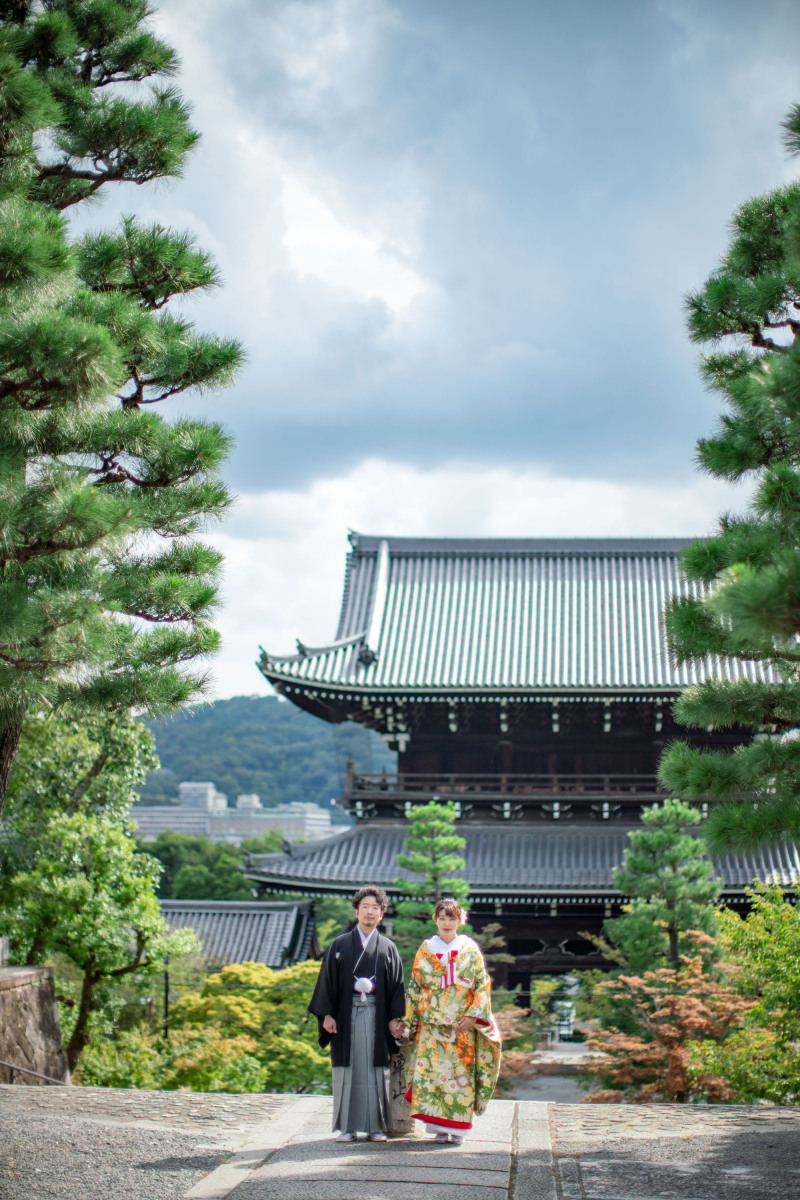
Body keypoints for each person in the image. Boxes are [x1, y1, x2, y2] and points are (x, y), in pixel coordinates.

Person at [308, 884, 406, 1142]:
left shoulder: (387, 948)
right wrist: (327, 1015)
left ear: (381, 914)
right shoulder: (339, 945)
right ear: (356, 911)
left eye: (376, 908)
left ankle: (374, 1127)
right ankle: (347, 1127)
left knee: (376, 1071)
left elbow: (397, 986)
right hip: (346, 1015)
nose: (370, 912)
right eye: (365, 907)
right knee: (347, 1069)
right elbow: (326, 982)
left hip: (376, 1015)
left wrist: (395, 1018)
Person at [404, 898, 501, 1145]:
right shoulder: (426, 948)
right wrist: (407, 1020)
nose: (447, 923)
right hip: (432, 1025)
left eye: (452, 918)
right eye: (442, 917)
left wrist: (472, 1016)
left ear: (461, 920)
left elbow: (481, 983)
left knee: (460, 1076)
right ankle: (437, 1128)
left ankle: (458, 1129)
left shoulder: (470, 948)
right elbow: (416, 986)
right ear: (435, 919)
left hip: (462, 1025)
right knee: (434, 1075)